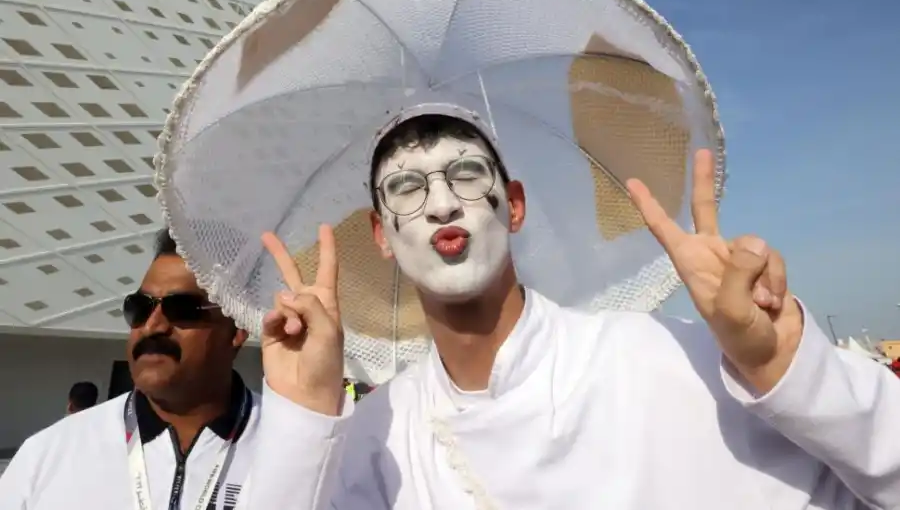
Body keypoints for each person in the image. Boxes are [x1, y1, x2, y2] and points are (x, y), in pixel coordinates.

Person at [249, 111, 900, 509]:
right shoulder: (377, 435)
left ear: (516, 204)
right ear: (382, 236)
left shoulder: (674, 361)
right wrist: (302, 419)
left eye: (467, 178)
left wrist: (788, 367)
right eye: (409, 189)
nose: (443, 205)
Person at [0, 229, 300, 509]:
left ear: (237, 328)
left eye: (182, 309)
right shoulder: (50, 453)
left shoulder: (299, 453)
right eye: (140, 307)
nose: (153, 326)